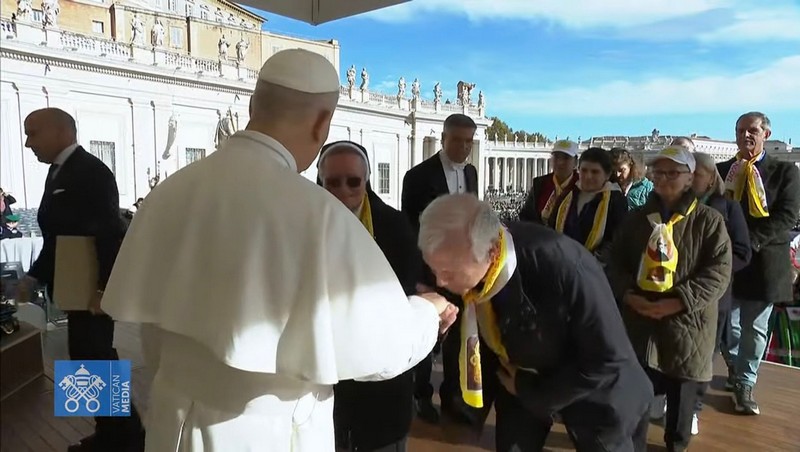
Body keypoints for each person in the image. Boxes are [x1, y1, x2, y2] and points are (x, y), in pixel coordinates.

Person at [99, 49, 457, 452]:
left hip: (172, 424)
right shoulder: (319, 215)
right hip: (270, 434)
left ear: (253, 106)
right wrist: (428, 311)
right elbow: (381, 347)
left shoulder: (166, 194)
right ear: (322, 123)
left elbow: (143, 337)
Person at [419, 194, 653, 451]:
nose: (440, 282)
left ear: (492, 252)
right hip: (520, 375)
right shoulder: (462, 257)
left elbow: (607, 360)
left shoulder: (565, 267)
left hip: (598, 392)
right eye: (434, 268)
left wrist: (529, 390)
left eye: (448, 272)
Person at [14, 108, 145, 452]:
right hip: (74, 286)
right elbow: (56, 238)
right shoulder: (58, 173)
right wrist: (34, 277)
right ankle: (113, 433)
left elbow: (108, 234)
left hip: (91, 289)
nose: (28, 143)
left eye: (33, 133)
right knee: (87, 359)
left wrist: (104, 289)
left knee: (96, 358)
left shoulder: (91, 172)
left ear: (61, 131)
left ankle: (128, 436)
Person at [607, 146, 732, 452]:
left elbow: (718, 272)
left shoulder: (709, 220)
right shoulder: (637, 219)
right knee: (635, 406)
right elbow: (615, 263)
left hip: (687, 327)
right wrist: (629, 296)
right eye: (658, 172)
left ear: (690, 179)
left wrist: (677, 302)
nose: (663, 179)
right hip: (640, 325)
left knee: (680, 415)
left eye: (673, 173)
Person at [317, 140, 421, 451]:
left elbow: (406, 297)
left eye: (353, 182)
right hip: (327, 374)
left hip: (382, 379)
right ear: (320, 182)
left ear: (367, 181)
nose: (343, 192)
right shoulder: (302, 224)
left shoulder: (396, 227)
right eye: (332, 183)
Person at [718, 112, 800, 415]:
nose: (745, 136)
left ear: (766, 133)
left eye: (752, 130)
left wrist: (749, 242)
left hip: (765, 261)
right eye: (740, 131)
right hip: (728, 262)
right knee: (729, 324)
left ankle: (744, 382)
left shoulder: (784, 172)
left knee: (756, 327)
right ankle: (736, 368)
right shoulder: (723, 171)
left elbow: (787, 216)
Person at [401, 113, 479, 424]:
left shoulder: (471, 173)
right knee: (429, 332)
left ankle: (452, 396)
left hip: (463, 271)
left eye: (468, 142)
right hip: (429, 269)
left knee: (458, 334)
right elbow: (410, 226)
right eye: (457, 140)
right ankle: (421, 395)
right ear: (443, 138)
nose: (463, 147)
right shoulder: (418, 176)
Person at [690, 152, 751, 434]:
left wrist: (719, 271)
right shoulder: (676, 205)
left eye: (695, 174)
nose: (690, 179)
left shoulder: (728, 205)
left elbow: (742, 251)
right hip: (681, 290)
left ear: (711, 177)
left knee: (704, 356)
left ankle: (693, 408)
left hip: (715, 292)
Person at [548, 147, 628, 265]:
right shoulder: (567, 195)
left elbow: (616, 240)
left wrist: (589, 261)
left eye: (595, 172)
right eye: (584, 170)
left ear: (607, 175)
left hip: (595, 270)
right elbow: (551, 226)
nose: (588, 176)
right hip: (562, 264)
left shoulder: (616, 201)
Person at [518, 139, 579, 224]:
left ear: (576, 162)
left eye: (566, 158)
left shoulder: (582, 186)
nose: (560, 162)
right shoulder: (540, 184)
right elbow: (526, 216)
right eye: (557, 157)